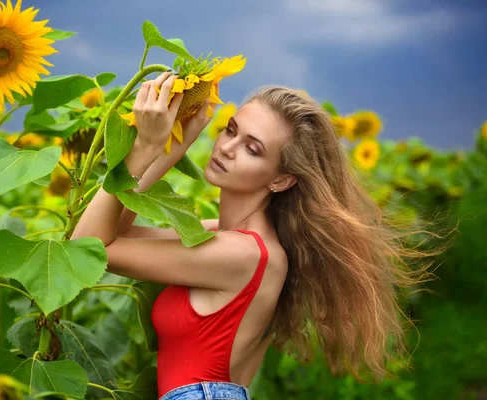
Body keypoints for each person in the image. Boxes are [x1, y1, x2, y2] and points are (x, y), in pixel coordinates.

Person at [70, 72, 431, 400]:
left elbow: (86, 248)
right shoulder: (222, 236)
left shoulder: (244, 254)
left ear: (281, 180)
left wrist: (145, 150)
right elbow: (114, 231)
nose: (227, 147)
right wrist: (170, 147)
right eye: (230, 130)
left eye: (252, 148)